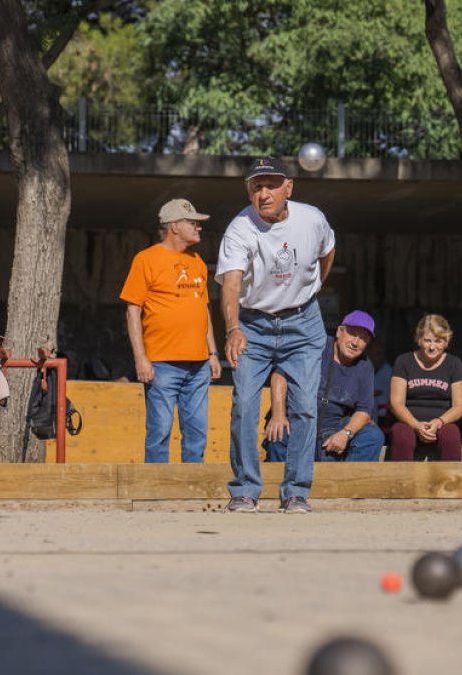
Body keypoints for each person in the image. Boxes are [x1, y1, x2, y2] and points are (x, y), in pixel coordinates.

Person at [217, 156, 336, 514]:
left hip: (304, 321)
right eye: (256, 186)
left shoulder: (312, 219)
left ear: (289, 187)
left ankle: (296, 491)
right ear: (249, 192)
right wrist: (233, 328)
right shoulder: (240, 228)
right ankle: (245, 490)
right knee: (245, 406)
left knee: (305, 408)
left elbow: (327, 253)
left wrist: (310, 288)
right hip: (253, 322)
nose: (264, 193)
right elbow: (232, 283)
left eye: (271, 185)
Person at [120, 198, 221, 464]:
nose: (199, 228)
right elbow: (132, 311)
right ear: (174, 226)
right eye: (193, 223)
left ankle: (191, 492)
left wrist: (212, 353)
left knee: (197, 433)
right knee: (160, 432)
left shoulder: (198, 261)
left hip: (199, 364)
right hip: (161, 363)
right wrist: (141, 358)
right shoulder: (146, 259)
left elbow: (204, 308)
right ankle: (156, 495)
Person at [264, 310, 383, 463]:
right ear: (340, 331)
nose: (355, 342)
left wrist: (345, 434)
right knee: (278, 432)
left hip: (333, 430)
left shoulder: (365, 366)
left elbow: (364, 410)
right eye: (352, 334)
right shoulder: (315, 346)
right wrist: (278, 416)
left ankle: (348, 485)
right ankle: (284, 486)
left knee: (373, 436)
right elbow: (280, 376)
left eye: (363, 338)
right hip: (296, 420)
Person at [388, 314, 462, 461]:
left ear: (446, 342)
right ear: (419, 339)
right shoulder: (404, 361)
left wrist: (438, 422)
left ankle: (448, 482)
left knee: (451, 435)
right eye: (427, 340)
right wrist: (416, 425)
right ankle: (401, 482)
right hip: (408, 421)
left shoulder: (454, 364)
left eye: (438, 341)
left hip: (443, 422)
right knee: (401, 435)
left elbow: (461, 406)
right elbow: (396, 403)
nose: (432, 347)